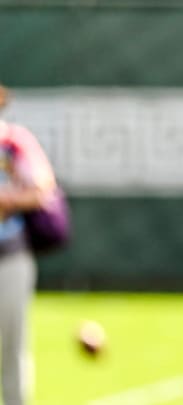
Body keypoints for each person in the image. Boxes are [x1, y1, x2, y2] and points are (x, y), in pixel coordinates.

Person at [0, 84, 58, 405]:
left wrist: (6, 199)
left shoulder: (13, 142)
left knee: (12, 349)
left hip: (9, 257)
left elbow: (41, 188)